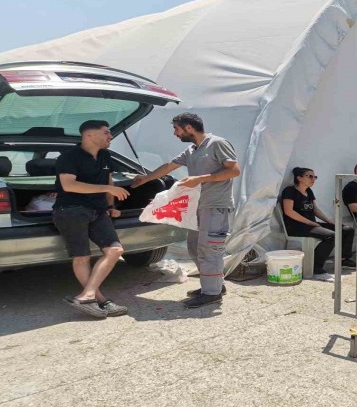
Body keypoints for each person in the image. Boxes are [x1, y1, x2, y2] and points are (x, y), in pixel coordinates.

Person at [131, 113, 240, 309]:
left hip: (215, 205)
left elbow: (233, 170)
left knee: (209, 249)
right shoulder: (191, 150)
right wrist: (145, 179)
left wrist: (199, 179)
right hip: (198, 205)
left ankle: (212, 293)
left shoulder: (217, 143)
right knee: (194, 247)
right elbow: (168, 167)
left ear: (189, 127)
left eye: (177, 129)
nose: (175, 133)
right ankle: (214, 285)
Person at [55, 120, 130, 318]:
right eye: (106, 133)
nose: (110, 136)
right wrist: (108, 189)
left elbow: (109, 181)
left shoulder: (105, 155)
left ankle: (86, 296)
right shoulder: (68, 157)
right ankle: (100, 299)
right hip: (71, 210)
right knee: (82, 257)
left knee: (115, 250)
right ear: (89, 135)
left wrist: (111, 206)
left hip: (98, 211)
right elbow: (69, 185)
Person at [282, 167, 355, 278]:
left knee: (346, 230)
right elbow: (289, 211)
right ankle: (315, 267)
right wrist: (310, 223)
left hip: (311, 224)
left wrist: (329, 221)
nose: (313, 179)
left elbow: (315, 209)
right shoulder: (289, 191)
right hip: (296, 226)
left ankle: (344, 260)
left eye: (314, 177)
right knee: (331, 236)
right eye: (310, 176)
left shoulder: (308, 191)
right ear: (299, 178)